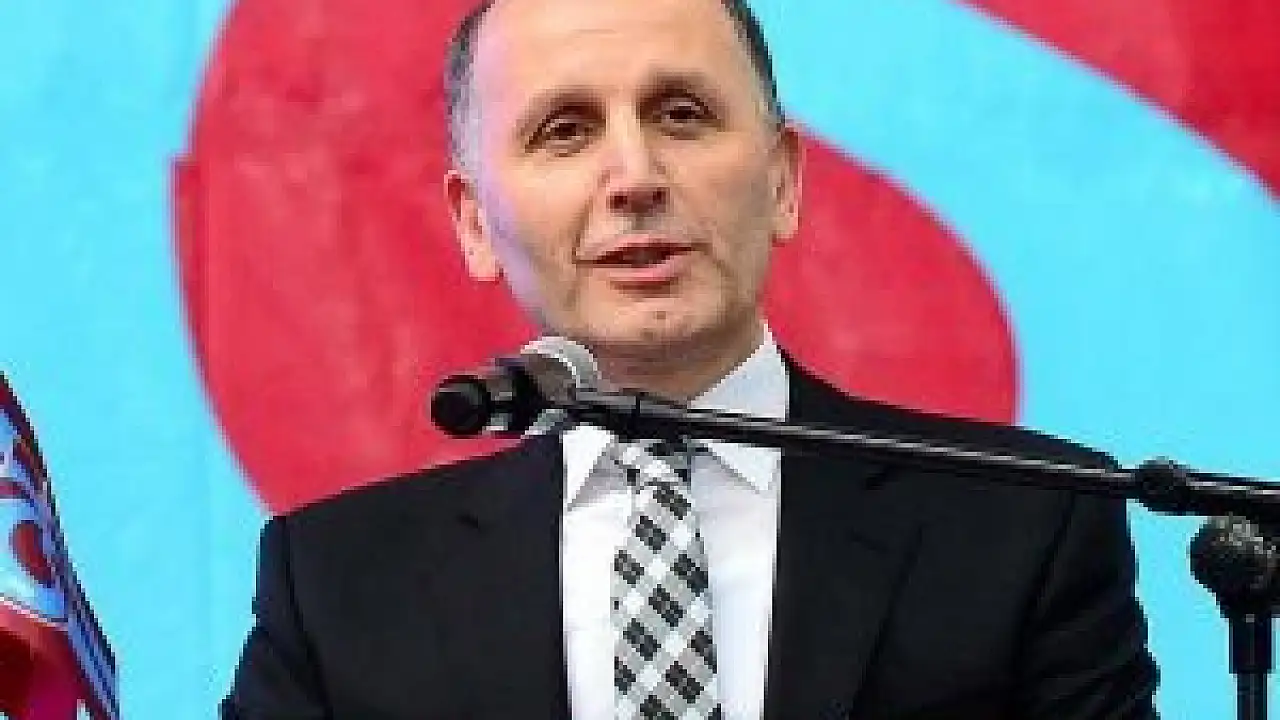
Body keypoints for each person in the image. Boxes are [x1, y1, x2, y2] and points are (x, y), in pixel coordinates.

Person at [221, 0, 1159, 717]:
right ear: (474, 223)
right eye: (565, 130)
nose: (634, 178)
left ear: (783, 180)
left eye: (680, 114)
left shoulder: (1023, 526)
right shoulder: (339, 587)